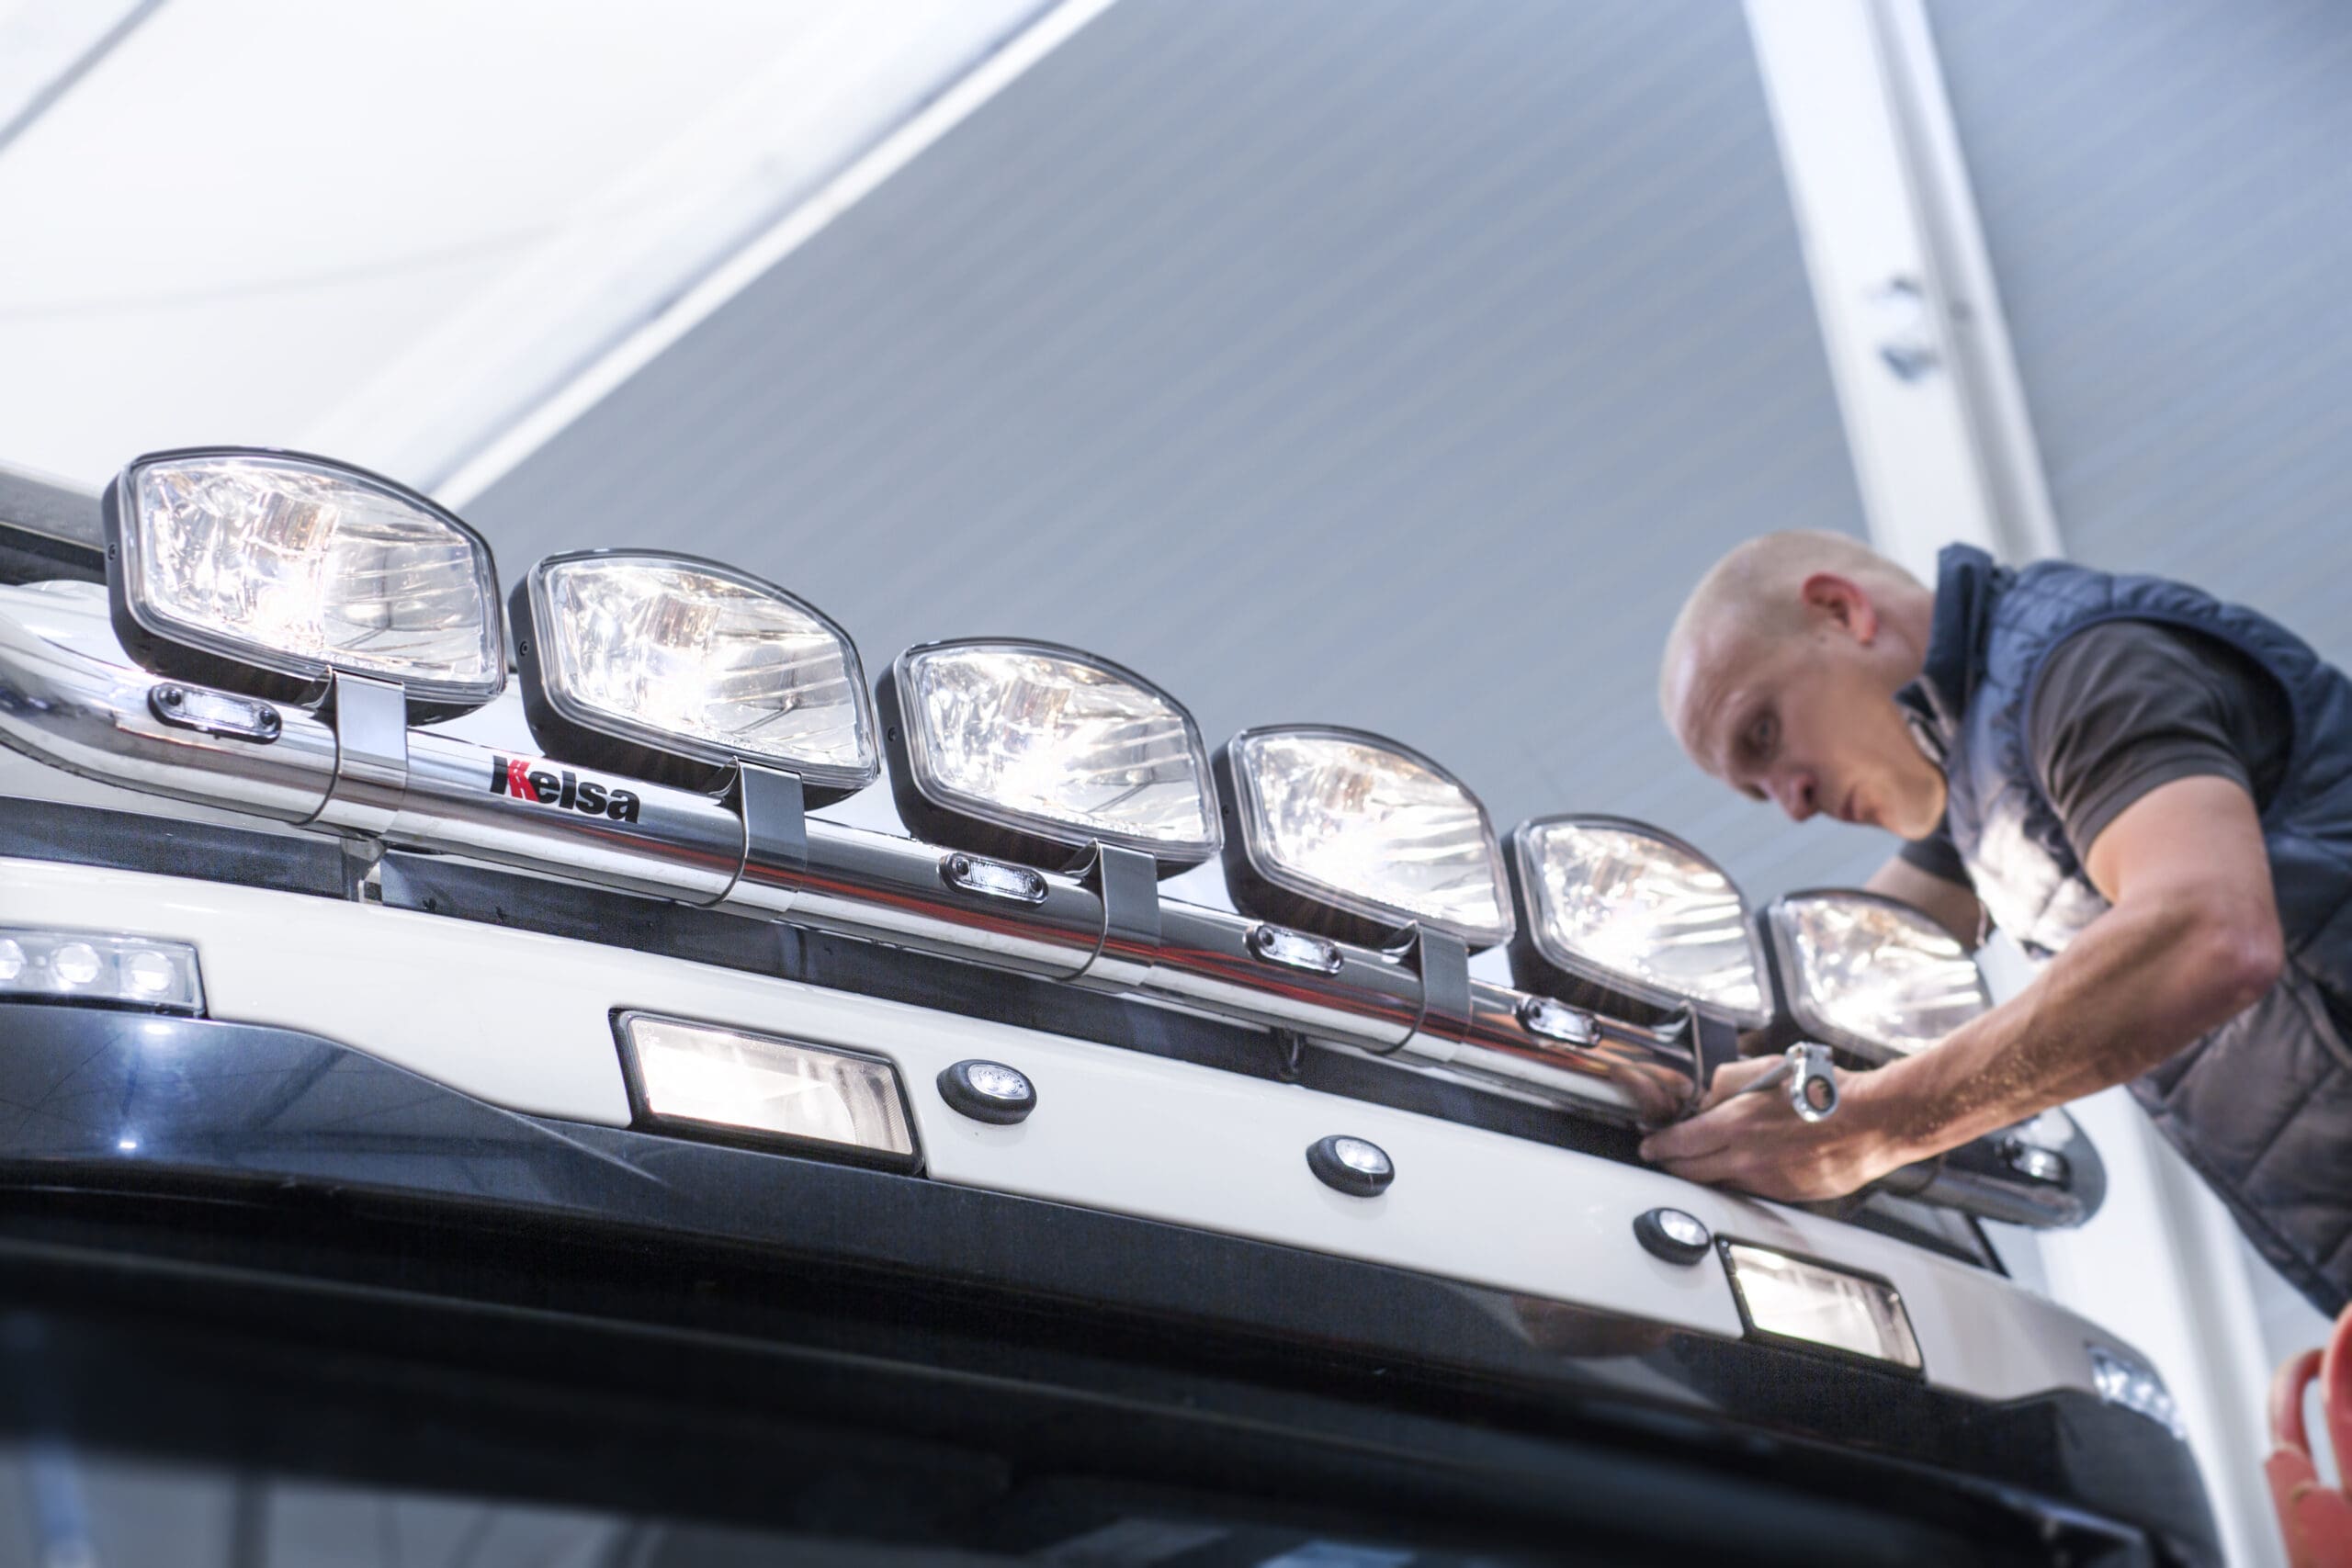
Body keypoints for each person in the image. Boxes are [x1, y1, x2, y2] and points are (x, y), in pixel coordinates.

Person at [1646, 530, 2352, 1314]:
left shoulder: (2077, 672)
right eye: (1757, 792)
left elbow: (2209, 935)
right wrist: (1652, 1078)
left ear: (1840, 611)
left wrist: (1867, 1128)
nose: (1794, 803)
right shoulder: (1985, 777)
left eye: (1764, 734)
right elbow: (1834, 969)